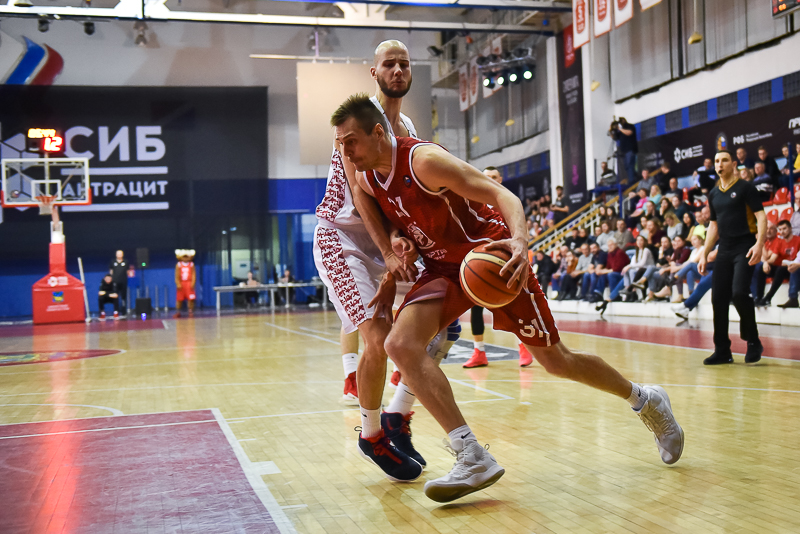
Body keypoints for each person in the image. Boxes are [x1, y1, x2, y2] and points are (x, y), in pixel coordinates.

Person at [334, 94, 683, 503]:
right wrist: (395, 250)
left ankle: (645, 400)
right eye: (341, 144)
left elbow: (503, 196)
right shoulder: (369, 177)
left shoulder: (424, 161)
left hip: (491, 258)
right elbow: (390, 214)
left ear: (378, 133)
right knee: (399, 344)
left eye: (351, 141)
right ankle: (472, 455)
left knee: (557, 361)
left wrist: (519, 241)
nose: (345, 152)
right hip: (444, 268)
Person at [311, 40, 459, 481]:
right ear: (373, 72)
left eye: (404, 64)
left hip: (385, 241)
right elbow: (362, 196)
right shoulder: (356, 121)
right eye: (389, 64)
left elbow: (401, 197)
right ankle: (372, 435)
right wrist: (390, 250)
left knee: (444, 324)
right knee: (376, 336)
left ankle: (398, 413)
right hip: (343, 238)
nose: (397, 70)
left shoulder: (406, 126)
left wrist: (408, 241)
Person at [698, 149, 767, 365]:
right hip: (724, 249)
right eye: (717, 161)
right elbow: (713, 226)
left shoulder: (746, 188)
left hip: (744, 246)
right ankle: (722, 351)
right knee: (718, 298)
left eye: (724, 160)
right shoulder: (713, 194)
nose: (720, 164)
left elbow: (761, 217)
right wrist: (704, 254)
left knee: (739, 293)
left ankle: (753, 341)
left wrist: (759, 244)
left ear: (733, 164)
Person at [465, 167, 534, 369]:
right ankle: (479, 351)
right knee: (475, 308)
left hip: (506, 261)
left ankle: (523, 346)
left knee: (515, 308)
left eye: (494, 177)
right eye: (487, 177)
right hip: (480, 262)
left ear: (501, 179)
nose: (491, 180)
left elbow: (520, 233)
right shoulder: (473, 204)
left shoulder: (508, 203)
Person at [754, 220, 800, 306]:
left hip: (795, 268)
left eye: (784, 229)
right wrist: (766, 263)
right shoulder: (780, 242)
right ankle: (759, 297)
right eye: (780, 229)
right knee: (761, 268)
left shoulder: (798, 240)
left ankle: (768, 298)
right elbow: (773, 259)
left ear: (790, 228)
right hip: (784, 269)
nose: (782, 232)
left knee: (780, 270)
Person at [592, 238, 630, 313]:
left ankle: (614, 296)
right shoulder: (610, 254)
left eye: (611, 245)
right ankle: (598, 293)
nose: (610, 246)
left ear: (616, 244)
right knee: (603, 275)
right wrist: (602, 271)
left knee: (610, 275)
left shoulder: (620, 253)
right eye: (608, 245)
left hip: (622, 274)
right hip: (615, 272)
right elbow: (608, 266)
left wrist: (604, 271)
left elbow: (617, 268)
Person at [615, 117, 639, 184]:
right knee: (627, 166)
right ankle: (633, 179)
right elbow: (615, 137)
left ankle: (631, 181)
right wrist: (612, 129)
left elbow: (629, 132)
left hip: (630, 150)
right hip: (624, 152)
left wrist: (620, 129)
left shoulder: (630, 126)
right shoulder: (621, 131)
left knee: (629, 165)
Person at [174, 250, 196, 318]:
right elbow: (177, 275)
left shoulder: (191, 264)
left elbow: (193, 274)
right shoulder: (179, 265)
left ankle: (190, 311)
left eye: (186, 257)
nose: (185, 259)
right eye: (184, 257)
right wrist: (178, 283)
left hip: (189, 283)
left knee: (191, 299)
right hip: (181, 283)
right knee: (179, 299)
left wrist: (193, 283)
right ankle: (178, 312)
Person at [109, 250, 128, 316]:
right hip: (115, 282)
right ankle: (116, 311)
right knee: (115, 296)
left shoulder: (126, 262)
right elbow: (111, 271)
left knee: (123, 297)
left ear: (122, 255)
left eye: (120, 254)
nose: (119, 255)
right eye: (118, 254)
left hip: (123, 282)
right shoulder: (113, 262)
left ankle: (124, 311)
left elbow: (128, 271)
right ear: (116, 255)